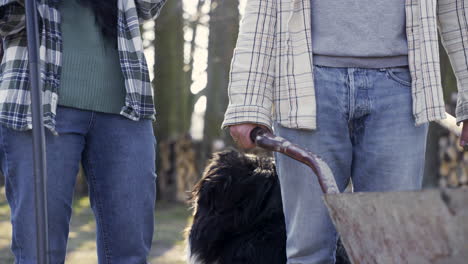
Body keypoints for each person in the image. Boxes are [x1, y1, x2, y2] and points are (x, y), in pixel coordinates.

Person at [223, 0, 468, 263]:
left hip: (401, 90)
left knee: (390, 250)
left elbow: (458, 10)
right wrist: (248, 102)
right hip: (305, 86)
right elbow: (263, 8)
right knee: (309, 252)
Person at [0, 0, 166, 263]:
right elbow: (7, 20)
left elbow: (148, 8)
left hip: (126, 105)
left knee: (130, 253)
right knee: (40, 253)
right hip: (36, 106)